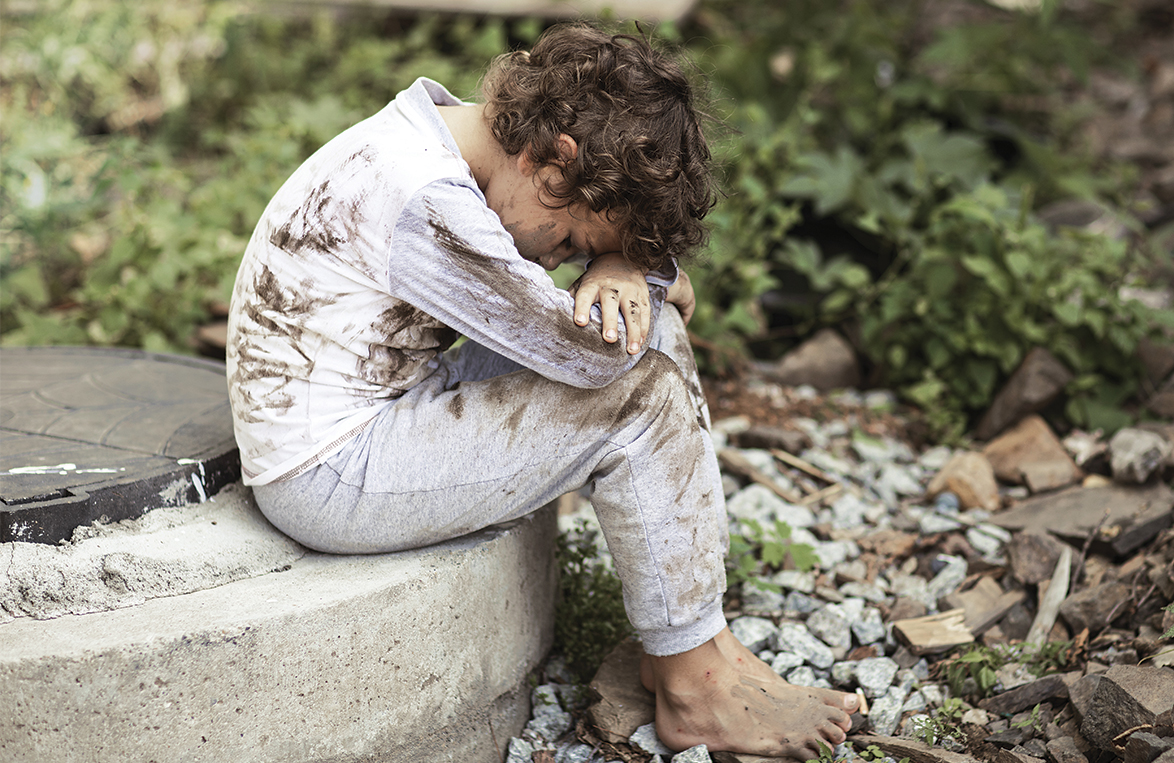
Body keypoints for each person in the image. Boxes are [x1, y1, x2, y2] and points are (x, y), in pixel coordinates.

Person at [224, 22, 857, 759]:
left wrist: (621, 264)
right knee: (635, 387)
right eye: (572, 244)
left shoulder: (444, 140)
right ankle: (694, 687)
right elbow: (588, 359)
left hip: (388, 409)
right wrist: (634, 272)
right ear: (556, 159)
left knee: (648, 337)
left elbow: (602, 329)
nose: (559, 258)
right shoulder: (423, 197)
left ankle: (690, 641)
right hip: (329, 472)